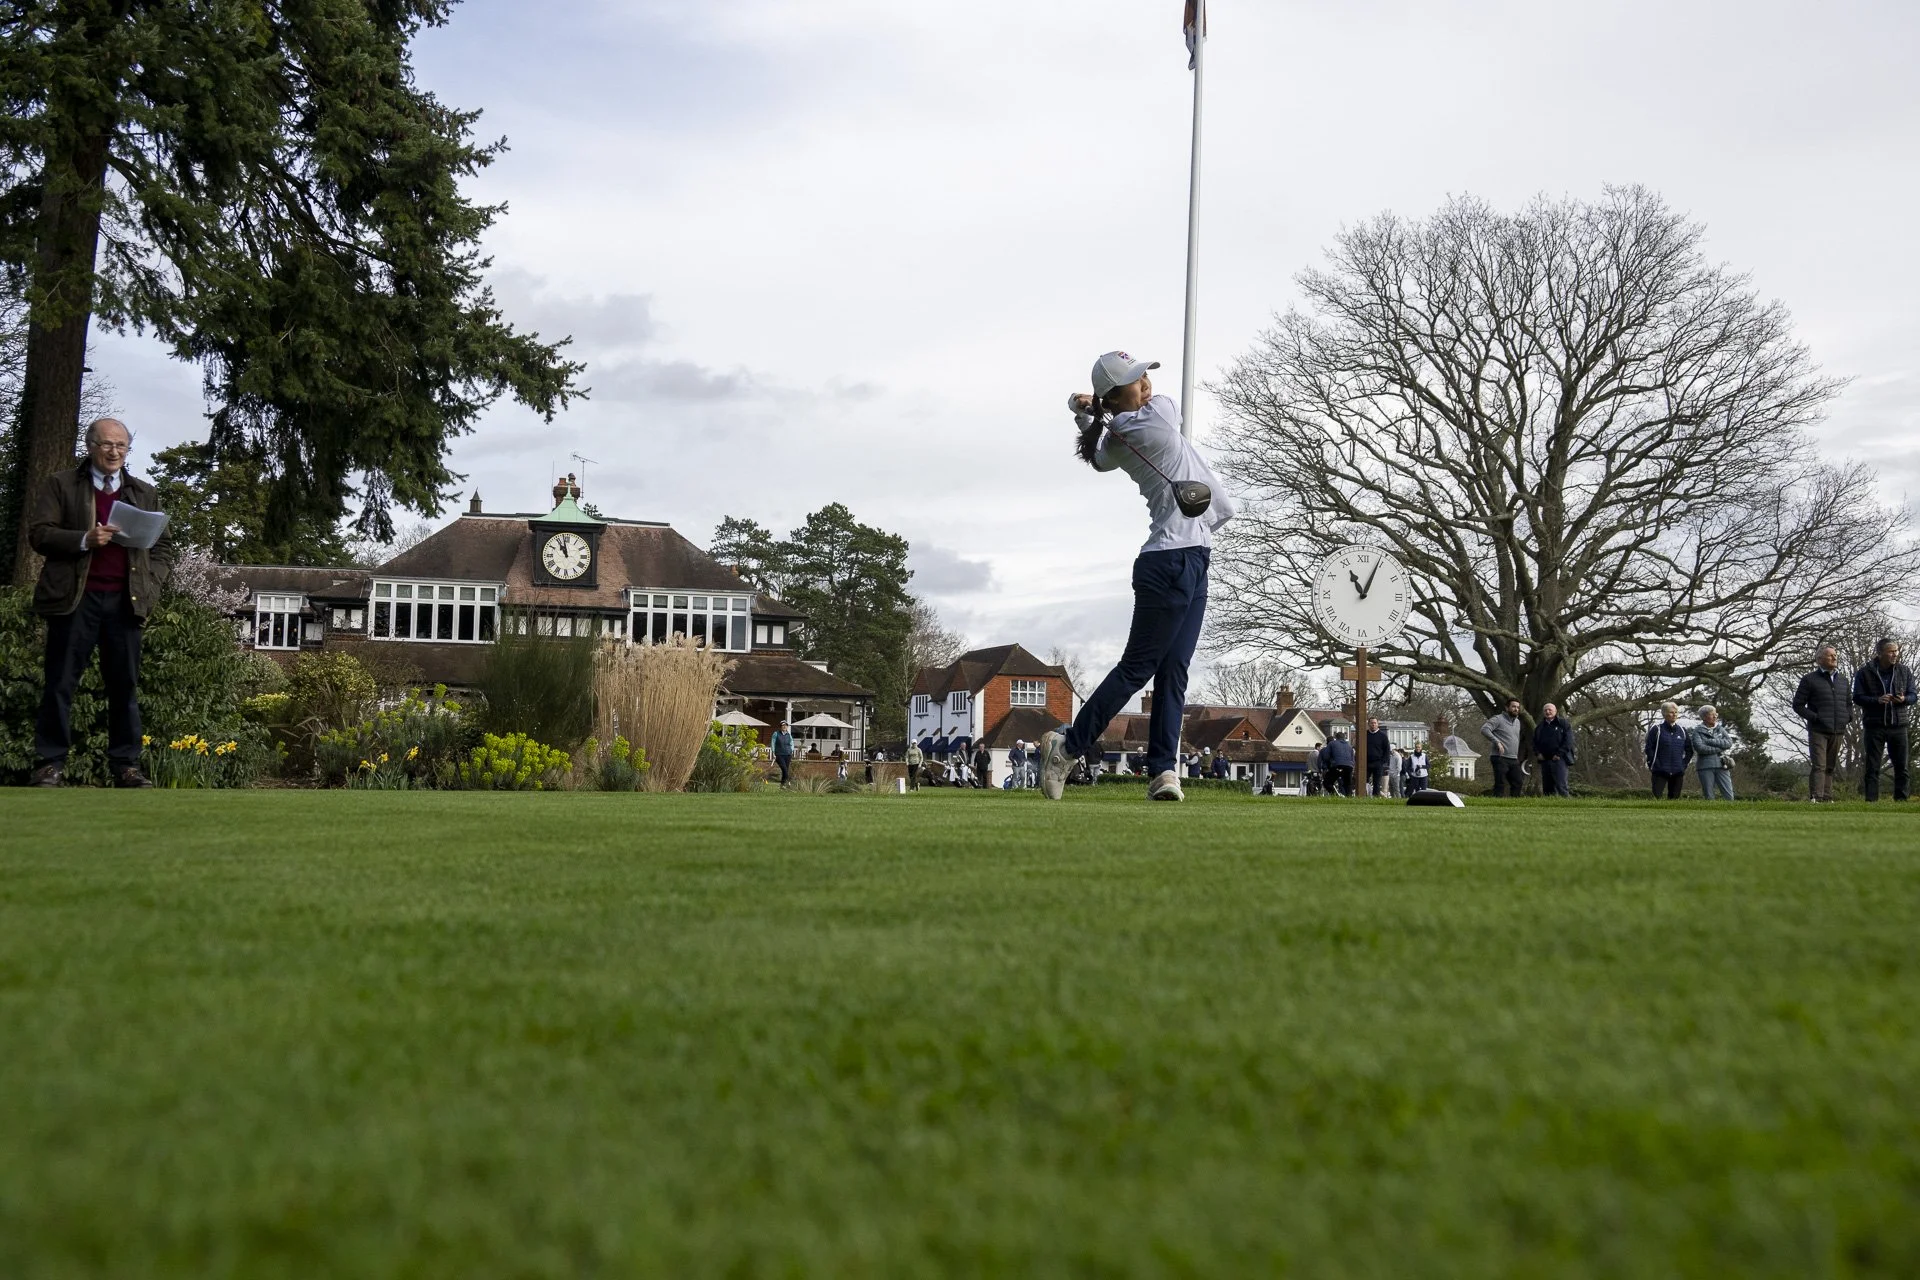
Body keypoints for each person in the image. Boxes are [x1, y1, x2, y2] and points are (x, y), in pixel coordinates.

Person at [1036, 352, 1236, 803]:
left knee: (1174, 671)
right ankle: (1067, 746)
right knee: (1139, 667)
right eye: (1134, 380)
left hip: (1191, 554)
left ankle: (1164, 771)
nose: (1145, 383)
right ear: (1116, 396)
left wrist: (1089, 407)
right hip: (1171, 560)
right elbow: (1161, 403)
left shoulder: (1116, 438)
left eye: (1144, 375)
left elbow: (1102, 459)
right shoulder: (1157, 417)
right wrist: (1092, 406)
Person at [29, 417, 174, 787]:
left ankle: (126, 766)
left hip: (126, 602)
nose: (114, 452)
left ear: (128, 451)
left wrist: (152, 586)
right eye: (107, 444)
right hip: (74, 600)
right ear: (91, 447)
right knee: (60, 683)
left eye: (121, 446)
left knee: (124, 685)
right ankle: (50, 764)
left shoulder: (144, 493)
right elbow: (40, 534)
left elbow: (162, 548)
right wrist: (84, 539)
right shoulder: (60, 485)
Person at [1852, 638, 1913, 802]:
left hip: (1898, 725)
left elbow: (1913, 695)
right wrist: (1877, 700)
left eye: (1896, 651)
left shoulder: (1904, 671)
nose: (1895, 654)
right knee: (1872, 766)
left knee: (1902, 766)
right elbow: (1857, 697)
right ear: (1880, 654)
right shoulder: (1864, 672)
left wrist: (1904, 699)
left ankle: (1901, 800)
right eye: (1891, 651)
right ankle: (1871, 801)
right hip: (1874, 725)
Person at [1792, 644, 1850, 803]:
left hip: (1838, 729)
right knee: (1819, 765)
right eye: (1830, 655)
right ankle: (1816, 797)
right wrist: (1816, 718)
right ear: (1819, 659)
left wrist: (1847, 718)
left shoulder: (1843, 680)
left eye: (1835, 654)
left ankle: (1827, 797)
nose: (1834, 657)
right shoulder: (1809, 679)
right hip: (1818, 730)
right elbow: (1797, 705)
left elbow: (1848, 704)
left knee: (1830, 766)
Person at [1644, 702, 1692, 799]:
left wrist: (1683, 765)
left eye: (1676, 712)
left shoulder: (1682, 731)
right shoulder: (1657, 729)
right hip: (1660, 770)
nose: (1674, 714)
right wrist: (1654, 764)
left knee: (1674, 800)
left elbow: (1689, 750)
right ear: (1664, 714)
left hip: (1677, 771)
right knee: (1657, 797)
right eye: (1671, 712)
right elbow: (1649, 748)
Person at [1480, 698, 1526, 797]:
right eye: (1513, 706)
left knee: (1518, 782)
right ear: (1507, 707)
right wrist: (1497, 742)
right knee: (1500, 783)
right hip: (1499, 757)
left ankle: (1514, 805)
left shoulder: (1517, 722)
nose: (1516, 709)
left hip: (1513, 758)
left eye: (1518, 707)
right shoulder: (1498, 719)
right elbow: (1484, 729)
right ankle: (1497, 804)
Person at [1690, 705, 1735, 801]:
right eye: (1712, 714)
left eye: (1716, 714)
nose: (1715, 717)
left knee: (1729, 796)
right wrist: (1719, 748)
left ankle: (1731, 813)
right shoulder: (1697, 731)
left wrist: (1711, 741)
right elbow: (1700, 748)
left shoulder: (1720, 729)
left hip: (1722, 765)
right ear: (1704, 717)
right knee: (1709, 795)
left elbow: (1729, 743)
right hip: (1705, 766)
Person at [1532, 703, 1574, 798]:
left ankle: (1568, 806)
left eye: (1550, 709)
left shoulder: (1563, 724)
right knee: (1547, 787)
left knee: (1561, 785)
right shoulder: (1539, 727)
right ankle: (1549, 807)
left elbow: (1569, 741)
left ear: (1555, 711)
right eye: (1545, 710)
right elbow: (1534, 743)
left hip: (1560, 759)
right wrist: (1538, 753)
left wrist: (1559, 754)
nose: (1548, 712)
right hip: (1545, 760)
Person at [1323, 730, 1355, 797]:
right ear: (1344, 737)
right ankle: (1349, 798)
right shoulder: (1349, 746)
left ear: (1336, 737)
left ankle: (1335, 795)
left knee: (1327, 782)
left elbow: (1326, 757)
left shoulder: (1331, 743)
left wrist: (1327, 766)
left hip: (1337, 765)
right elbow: (1352, 758)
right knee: (1347, 784)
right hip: (1349, 766)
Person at [1364, 717, 1391, 797]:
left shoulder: (1383, 736)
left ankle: (1376, 797)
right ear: (1368, 724)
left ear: (1377, 724)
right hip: (1366, 762)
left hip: (1378, 762)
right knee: (1364, 781)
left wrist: (1383, 762)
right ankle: (1365, 796)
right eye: (1371, 723)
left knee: (1377, 782)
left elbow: (1387, 750)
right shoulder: (1365, 735)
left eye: (1375, 723)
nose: (1373, 724)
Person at [770, 720, 795, 785]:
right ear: (780, 726)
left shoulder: (789, 735)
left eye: (786, 725)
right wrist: (773, 752)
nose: (784, 726)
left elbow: (792, 743)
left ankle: (782, 785)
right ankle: (788, 782)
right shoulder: (776, 734)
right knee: (784, 769)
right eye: (783, 725)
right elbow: (773, 743)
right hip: (779, 755)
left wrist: (791, 750)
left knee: (785, 770)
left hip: (788, 754)